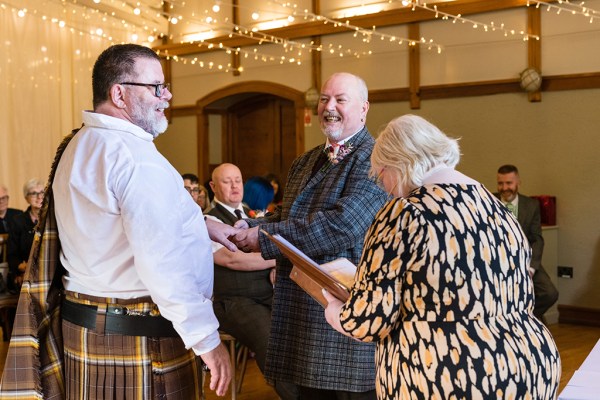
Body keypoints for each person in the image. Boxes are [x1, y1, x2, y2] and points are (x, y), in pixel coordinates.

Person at [3, 44, 235, 399]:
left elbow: (108, 224)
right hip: (140, 335)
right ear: (119, 94)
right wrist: (206, 339)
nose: (167, 96)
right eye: (156, 87)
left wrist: (201, 223)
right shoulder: (134, 158)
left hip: (87, 326)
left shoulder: (79, 145)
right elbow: (163, 263)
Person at [322, 114, 561, 399]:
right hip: (528, 368)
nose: (383, 185)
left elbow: (368, 320)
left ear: (398, 164)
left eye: (381, 173)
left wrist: (333, 306)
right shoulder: (496, 207)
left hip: (447, 374)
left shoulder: (404, 213)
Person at [233, 72, 388, 399]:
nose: (329, 107)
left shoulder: (376, 159)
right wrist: (247, 227)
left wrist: (262, 239)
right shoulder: (305, 160)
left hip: (341, 318)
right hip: (298, 310)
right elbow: (284, 215)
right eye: (324, 99)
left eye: (340, 100)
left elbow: (342, 225)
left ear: (364, 108)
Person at [206, 163, 296, 398]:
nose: (235, 185)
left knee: (302, 327)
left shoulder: (252, 214)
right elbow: (233, 260)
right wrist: (279, 260)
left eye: (238, 179)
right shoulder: (208, 220)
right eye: (227, 181)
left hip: (267, 293)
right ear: (213, 186)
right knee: (269, 339)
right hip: (233, 300)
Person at [495, 164, 559, 322]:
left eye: (509, 183)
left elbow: (537, 239)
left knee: (550, 293)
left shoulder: (531, 205)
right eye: (500, 183)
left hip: (524, 260)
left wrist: (531, 268)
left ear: (518, 182)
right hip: (497, 260)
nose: (504, 188)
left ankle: (525, 319)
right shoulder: (487, 201)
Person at [6, 179, 44, 292]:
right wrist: (25, 268)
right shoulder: (17, 221)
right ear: (26, 198)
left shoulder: (52, 219)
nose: (39, 197)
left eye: (42, 192)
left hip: (48, 269)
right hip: (25, 271)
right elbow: (12, 255)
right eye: (34, 193)